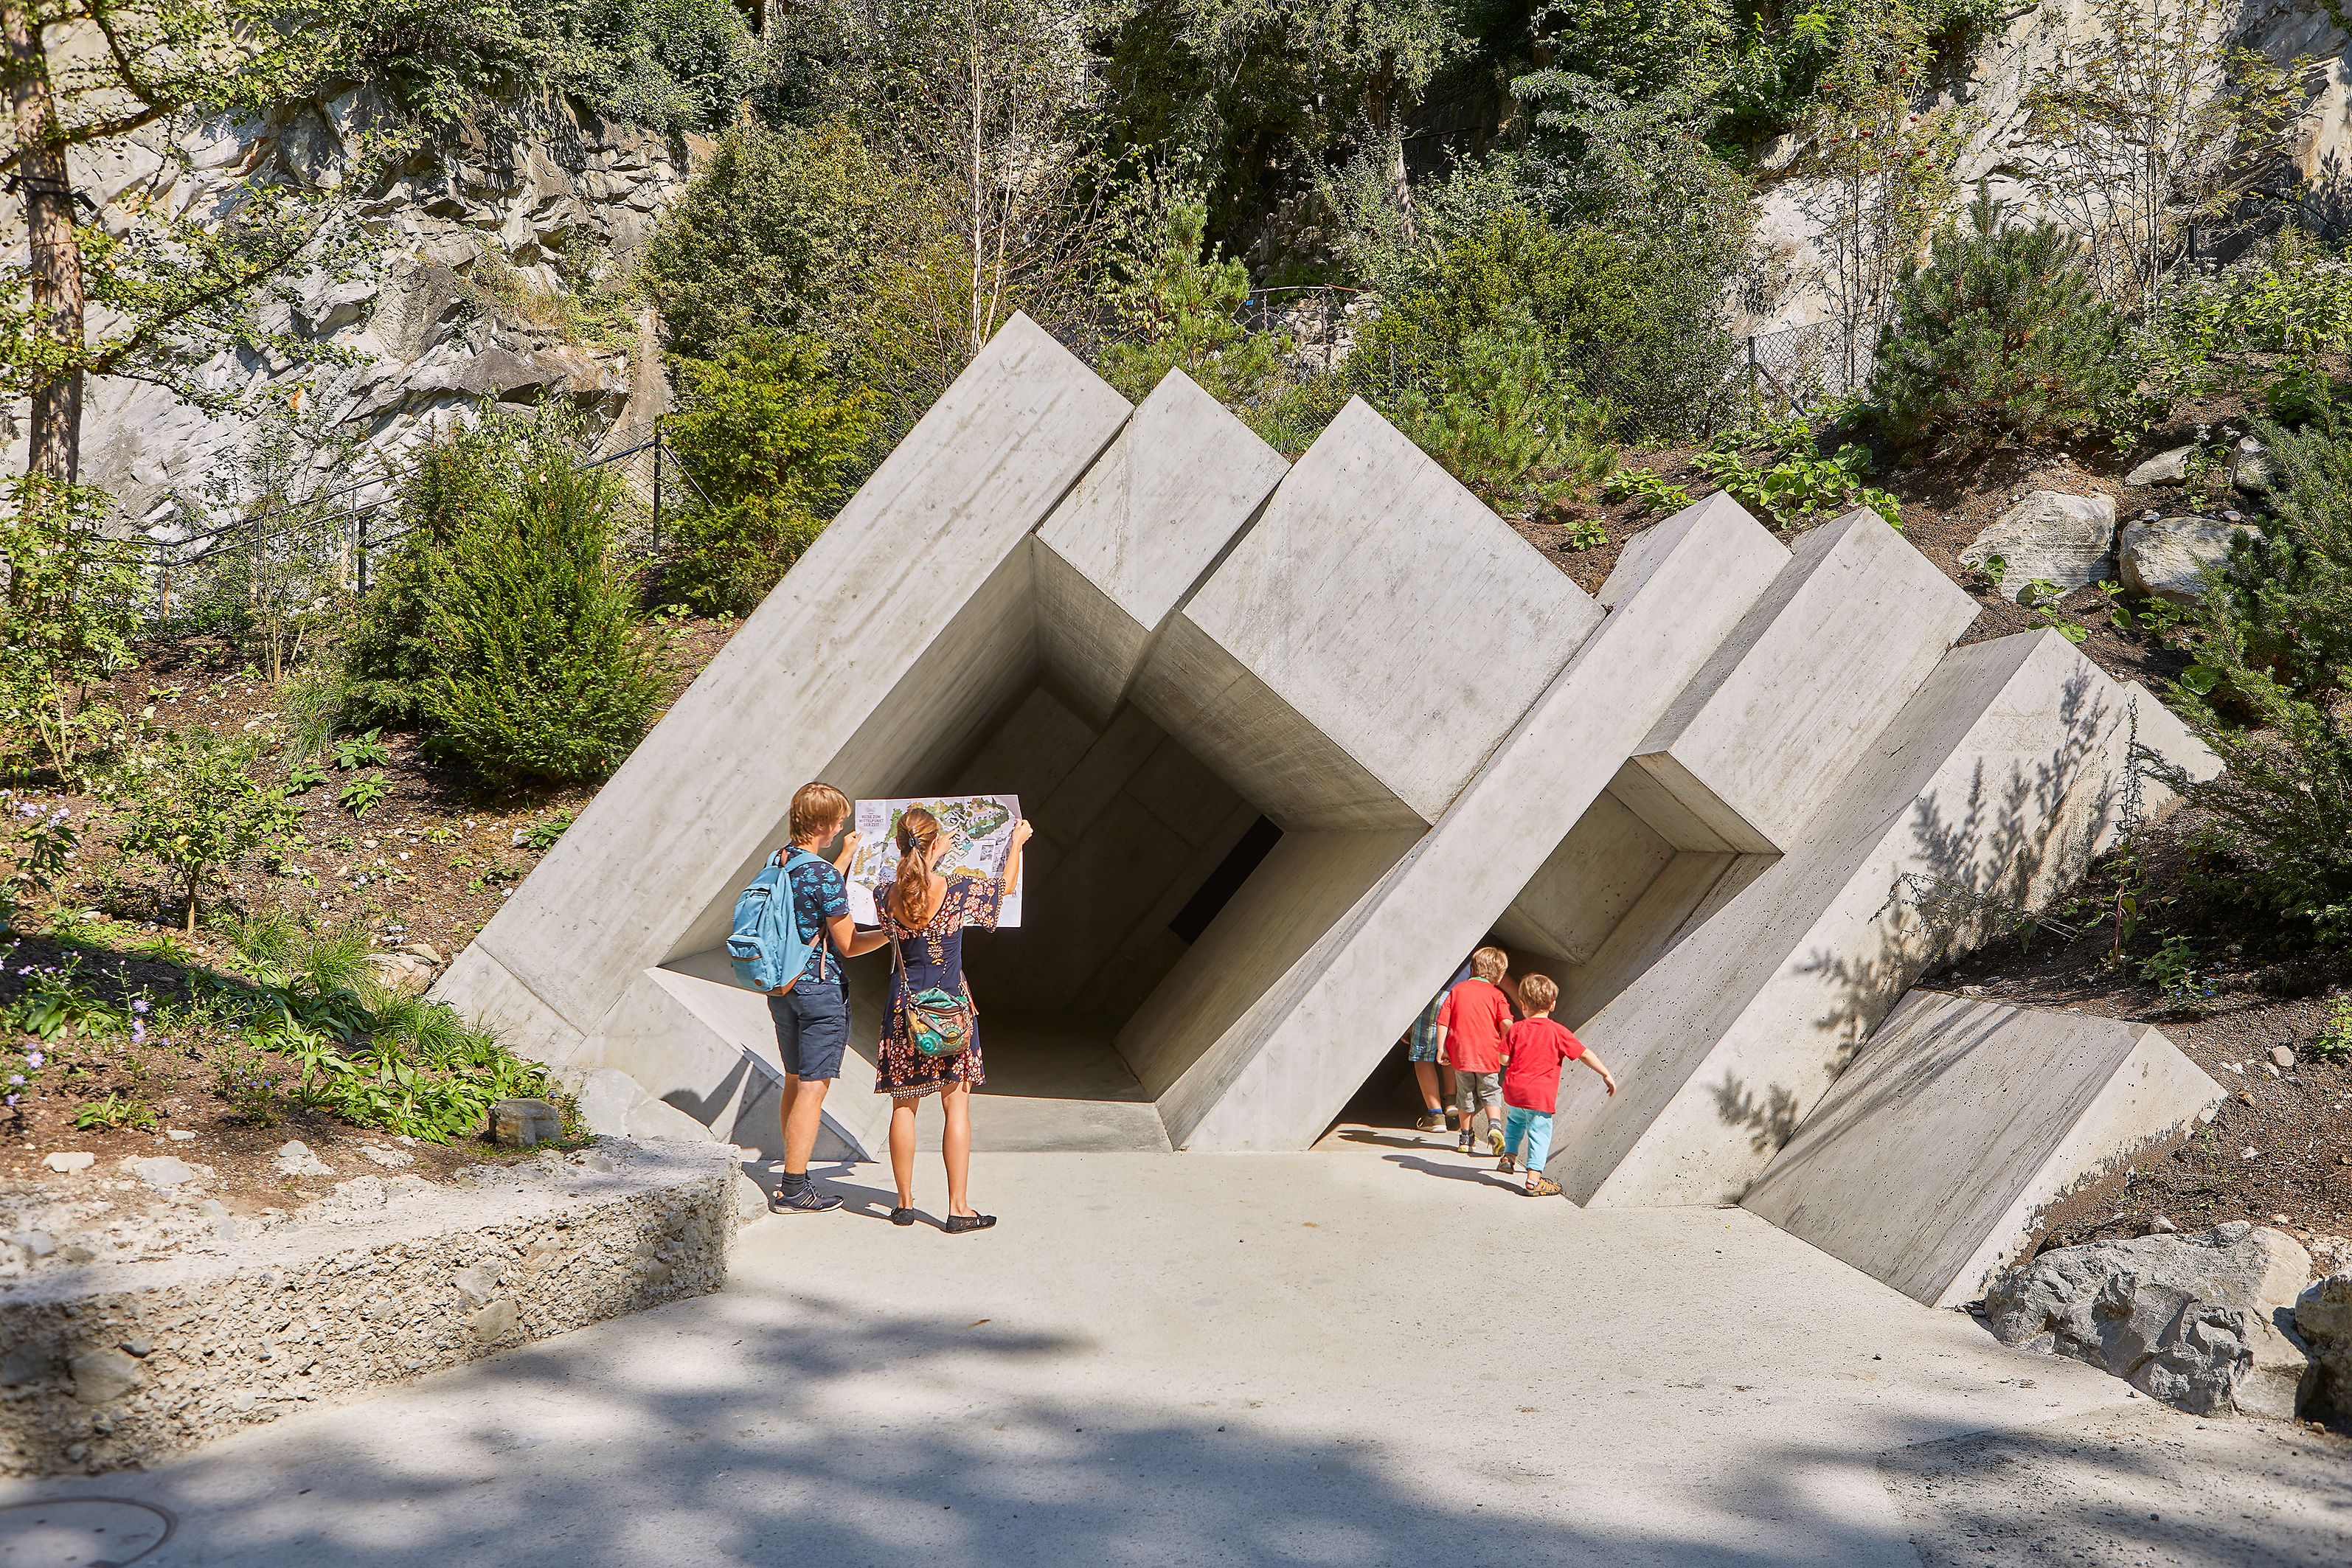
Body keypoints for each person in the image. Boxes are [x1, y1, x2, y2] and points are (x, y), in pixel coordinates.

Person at [875, 806, 1032, 1232]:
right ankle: (958, 1208)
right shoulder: (958, 889)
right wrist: (1015, 844)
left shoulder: (883, 895)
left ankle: (904, 1204)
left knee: (903, 1105)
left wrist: (928, 859)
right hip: (950, 1007)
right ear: (935, 843)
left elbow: (910, 897)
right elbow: (1005, 889)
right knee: (955, 1104)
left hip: (903, 1008)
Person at [768, 782, 889, 1215]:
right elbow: (850, 944)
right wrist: (894, 934)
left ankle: (790, 1173)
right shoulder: (819, 873)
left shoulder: (781, 860)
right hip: (820, 990)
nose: (842, 825)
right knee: (813, 1090)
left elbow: (814, 891)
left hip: (782, 987)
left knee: (795, 1079)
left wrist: (844, 857)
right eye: (838, 819)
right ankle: (796, 1188)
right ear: (822, 823)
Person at [1494, 973, 1617, 1198]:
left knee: (1515, 1121)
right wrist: (1605, 1073)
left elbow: (1503, 1060)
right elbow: (1584, 1054)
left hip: (1514, 1091)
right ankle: (1533, 1180)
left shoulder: (1517, 1029)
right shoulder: (1558, 1032)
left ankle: (1508, 1157)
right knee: (1539, 1134)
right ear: (1552, 1005)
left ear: (1522, 1005)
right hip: (1538, 1096)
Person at [1435, 946, 1515, 1156]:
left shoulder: (1458, 990)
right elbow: (1506, 1022)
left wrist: (1442, 1048)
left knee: (1465, 1095)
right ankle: (1495, 1126)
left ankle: (1465, 1137)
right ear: (1498, 975)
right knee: (1490, 1091)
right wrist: (1509, 1042)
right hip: (1488, 1053)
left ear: (1473, 969)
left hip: (1461, 1055)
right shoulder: (1497, 995)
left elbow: (1443, 1021)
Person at [1406, 953, 1476, 1132]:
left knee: (1422, 1054)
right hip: (1460, 994)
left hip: (1436, 992)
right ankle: (1451, 1102)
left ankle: (1435, 1115)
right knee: (1448, 1049)